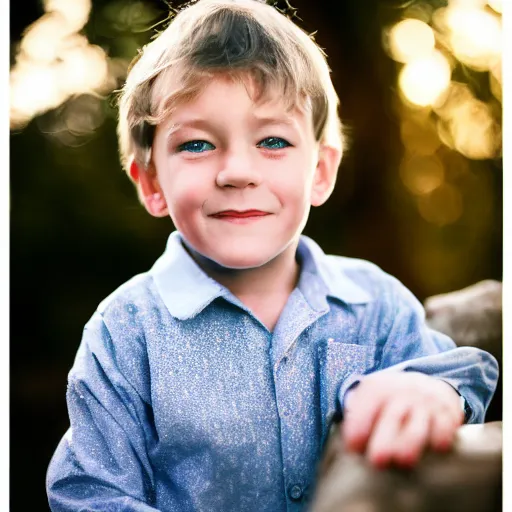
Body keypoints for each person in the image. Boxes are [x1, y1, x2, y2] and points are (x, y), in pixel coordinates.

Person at [46, 1, 498, 511]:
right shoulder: (125, 332)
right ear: (151, 183)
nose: (237, 171)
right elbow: (91, 494)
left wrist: (434, 394)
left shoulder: (376, 303)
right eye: (196, 145)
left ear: (321, 172)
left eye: (273, 140)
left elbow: (463, 372)